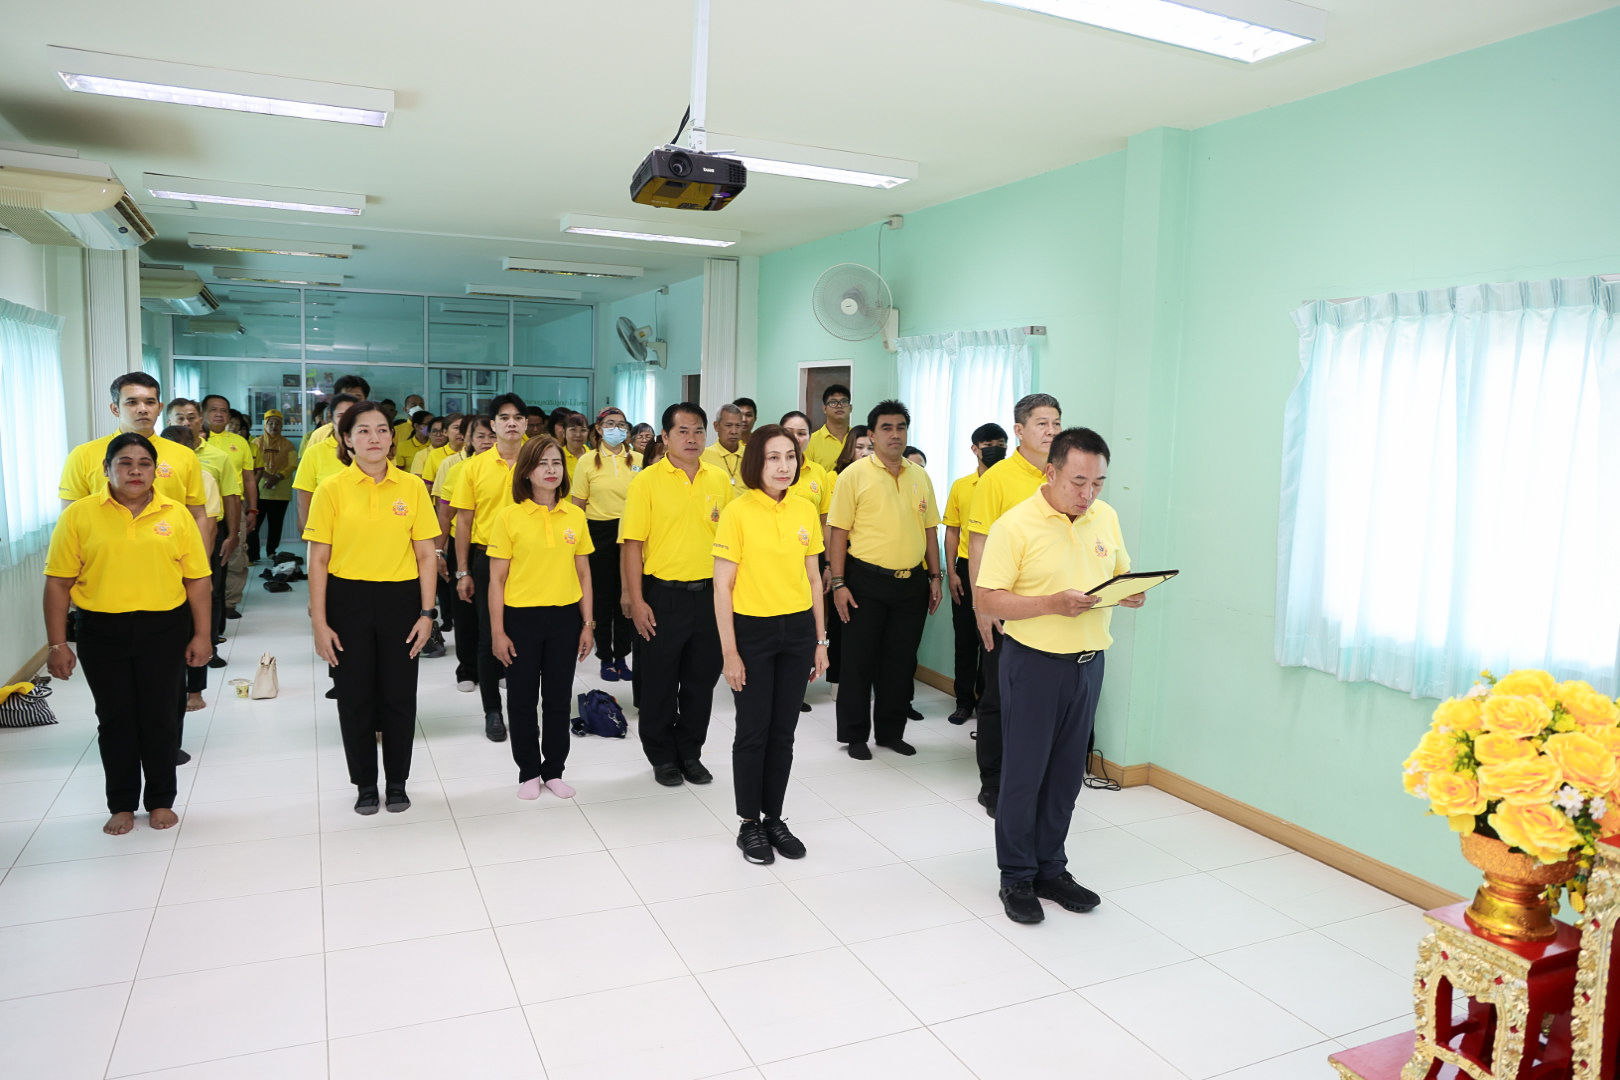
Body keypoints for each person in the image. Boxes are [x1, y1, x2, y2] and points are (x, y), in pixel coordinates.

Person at [976, 427, 1141, 924]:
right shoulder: (1015, 525)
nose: (1088, 494)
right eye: (1078, 482)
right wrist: (1051, 604)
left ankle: (1051, 867)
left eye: (1098, 483)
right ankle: (1016, 876)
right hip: (1034, 665)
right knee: (1024, 775)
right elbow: (989, 599)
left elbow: (1119, 572)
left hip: (1089, 664)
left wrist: (1130, 592)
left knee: (1067, 776)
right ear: (1051, 472)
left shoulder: (1105, 517)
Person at [43, 433, 212, 835]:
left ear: (155, 471)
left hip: (164, 628)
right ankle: (121, 804)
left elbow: (198, 580)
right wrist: (57, 644)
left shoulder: (176, 514)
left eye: (144, 463)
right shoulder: (80, 515)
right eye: (124, 463)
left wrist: (202, 634)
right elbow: (57, 583)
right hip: (102, 630)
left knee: (161, 716)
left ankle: (160, 800)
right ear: (106, 469)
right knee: (115, 718)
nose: (135, 471)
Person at [306, 401, 441, 815]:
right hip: (347, 600)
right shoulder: (331, 489)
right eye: (362, 431)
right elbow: (319, 560)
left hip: (401, 600)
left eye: (381, 429)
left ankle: (397, 781)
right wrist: (320, 622)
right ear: (347, 440)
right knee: (354, 696)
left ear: (391, 437)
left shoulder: (411, 487)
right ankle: (365, 783)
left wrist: (427, 614)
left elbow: (425, 555)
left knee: (400, 696)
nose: (374, 438)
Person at [713, 425, 828, 864]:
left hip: (797, 632)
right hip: (753, 632)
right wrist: (730, 652)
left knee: (784, 732)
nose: (784, 466)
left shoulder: (804, 508)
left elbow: (814, 579)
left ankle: (774, 817)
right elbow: (722, 588)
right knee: (753, 730)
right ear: (756, 463)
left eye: (790, 457)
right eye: (773, 458)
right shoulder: (737, 511)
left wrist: (820, 640)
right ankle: (749, 823)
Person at [619, 402, 734, 786]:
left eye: (698, 431)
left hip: (709, 597)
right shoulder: (646, 482)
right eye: (682, 431)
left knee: (701, 682)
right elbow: (632, 545)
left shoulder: (719, 480)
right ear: (665, 437)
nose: (692, 438)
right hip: (663, 596)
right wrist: (636, 600)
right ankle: (662, 756)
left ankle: (690, 752)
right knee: (659, 682)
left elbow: (732, 541)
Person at [826, 400, 941, 759]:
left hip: (911, 584)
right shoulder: (854, 475)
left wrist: (935, 576)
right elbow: (838, 533)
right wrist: (839, 583)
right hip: (865, 582)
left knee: (900, 662)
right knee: (859, 661)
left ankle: (891, 733)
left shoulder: (920, 476)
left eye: (901, 427)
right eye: (887, 428)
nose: (895, 434)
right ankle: (855, 735)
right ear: (872, 435)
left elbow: (930, 530)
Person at [966, 393, 1063, 817]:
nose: (1051, 431)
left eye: (1056, 423)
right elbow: (978, 544)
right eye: (1042, 423)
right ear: (1019, 430)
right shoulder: (998, 479)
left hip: (1050, 608)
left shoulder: (1062, 474)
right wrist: (982, 606)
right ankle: (994, 783)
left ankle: (1035, 780)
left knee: (1040, 701)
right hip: (1005, 606)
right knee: (998, 697)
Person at [488, 436, 595, 801]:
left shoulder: (575, 516)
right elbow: (497, 580)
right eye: (542, 463)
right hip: (521, 619)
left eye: (556, 463)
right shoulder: (509, 517)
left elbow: (584, 574)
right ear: (527, 471)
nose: (551, 470)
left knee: (558, 699)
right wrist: (498, 631)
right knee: (521, 699)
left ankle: (554, 770)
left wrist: (588, 623)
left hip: (564, 619)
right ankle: (528, 771)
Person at [453, 394, 528, 741]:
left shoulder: (538, 461)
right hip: (487, 559)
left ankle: (522, 708)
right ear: (493, 424)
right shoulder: (473, 467)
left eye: (518, 417)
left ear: (525, 424)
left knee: (525, 634)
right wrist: (463, 570)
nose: (511, 423)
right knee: (488, 635)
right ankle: (492, 711)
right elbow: (464, 522)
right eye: (504, 417)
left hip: (531, 560)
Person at [58, 373, 207, 536]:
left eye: (150, 402)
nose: (143, 409)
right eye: (132, 402)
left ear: (160, 408)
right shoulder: (83, 455)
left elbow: (197, 515)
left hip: (168, 548)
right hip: (105, 549)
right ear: (115, 409)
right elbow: (70, 519)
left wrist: (200, 553)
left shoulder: (185, 455)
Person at [942, 423, 1008, 724]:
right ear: (974, 449)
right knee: (966, 639)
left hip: (1001, 571)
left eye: (1001, 444)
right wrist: (952, 571)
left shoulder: (1009, 483)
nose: (996, 449)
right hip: (966, 567)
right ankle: (964, 701)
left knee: (994, 641)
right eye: (988, 445)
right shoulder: (961, 486)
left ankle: (987, 701)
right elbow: (952, 531)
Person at [571, 407, 641, 682]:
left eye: (622, 425)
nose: (617, 429)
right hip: (598, 532)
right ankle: (606, 658)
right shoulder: (587, 461)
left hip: (632, 532)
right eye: (610, 424)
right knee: (601, 597)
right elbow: (578, 505)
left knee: (628, 595)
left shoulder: (638, 459)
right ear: (599, 429)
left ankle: (622, 656)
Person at [173, 398, 240, 672]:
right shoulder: (157, 456)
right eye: (179, 418)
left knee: (211, 591)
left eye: (191, 417)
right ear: (169, 421)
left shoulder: (218, 456)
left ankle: (210, 645)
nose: (186, 422)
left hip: (212, 529)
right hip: (171, 534)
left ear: (200, 419)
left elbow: (231, 496)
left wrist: (233, 534)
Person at [160, 423, 220, 718]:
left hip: (191, 561)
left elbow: (208, 525)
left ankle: (194, 690)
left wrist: (201, 571)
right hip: (161, 560)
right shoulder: (150, 475)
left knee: (196, 626)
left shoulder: (203, 477)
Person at [435, 415, 494, 691]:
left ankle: (498, 667)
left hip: (499, 548)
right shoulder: (458, 469)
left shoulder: (512, 468)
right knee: (466, 610)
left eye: (492, 436)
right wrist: (438, 551)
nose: (487, 442)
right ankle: (467, 669)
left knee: (497, 611)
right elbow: (445, 515)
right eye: (480, 436)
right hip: (465, 547)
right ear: (469, 438)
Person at [293, 394, 360, 533]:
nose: (347, 421)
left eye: (352, 415)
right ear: (331, 419)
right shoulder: (315, 453)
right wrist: (308, 530)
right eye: (341, 416)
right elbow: (304, 496)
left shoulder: (370, 450)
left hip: (364, 530)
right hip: (325, 530)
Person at [250, 410, 297, 563]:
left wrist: (277, 477)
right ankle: (252, 554)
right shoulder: (256, 443)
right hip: (259, 489)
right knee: (254, 524)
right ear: (265, 425)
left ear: (282, 426)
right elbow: (251, 462)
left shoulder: (288, 444)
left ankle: (271, 552)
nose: (274, 426)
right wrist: (266, 475)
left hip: (281, 491)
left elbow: (292, 464)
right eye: (270, 423)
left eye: (277, 423)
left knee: (276, 524)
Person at [303, 375, 371, 452]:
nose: (351, 404)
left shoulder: (375, 431)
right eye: (346, 398)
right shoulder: (320, 434)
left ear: (365, 401)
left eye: (357, 398)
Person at [807, 384, 853, 471]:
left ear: (850, 408)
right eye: (833, 402)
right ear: (824, 409)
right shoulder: (810, 441)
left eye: (844, 402)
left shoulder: (857, 438)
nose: (839, 406)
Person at [701, 403, 746, 488]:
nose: (734, 431)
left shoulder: (751, 455)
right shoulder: (703, 456)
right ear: (716, 426)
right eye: (728, 425)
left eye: (738, 426)